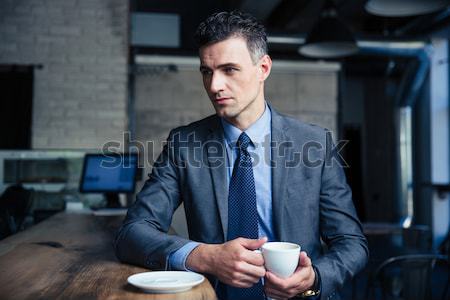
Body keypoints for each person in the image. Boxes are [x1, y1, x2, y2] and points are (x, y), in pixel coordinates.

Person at [115, 11, 368, 300]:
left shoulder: (315, 144)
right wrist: (204, 256)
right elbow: (132, 233)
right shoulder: (184, 144)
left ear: (263, 68)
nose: (214, 86)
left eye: (229, 70)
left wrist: (315, 278)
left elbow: (351, 243)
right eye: (207, 72)